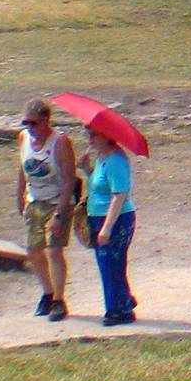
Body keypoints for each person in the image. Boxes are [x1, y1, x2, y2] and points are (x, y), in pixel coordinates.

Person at [17, 98, 76, 322]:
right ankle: (47, 292)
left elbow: (69, 179)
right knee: (33, 249)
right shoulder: (23, 138)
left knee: (54, 250)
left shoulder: (60, 142)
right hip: (36, 200)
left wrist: (61, 213)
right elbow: (22, 169)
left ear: (46, 121)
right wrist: (20, 195)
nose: (30, 128)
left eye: (34, 123)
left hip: (57, 201)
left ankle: (59, 300)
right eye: (26, 123)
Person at [80, 126, 137, 326]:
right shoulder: (102, 158)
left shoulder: (115, 161)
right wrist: (87, 169)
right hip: (100, 216)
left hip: (115, 219)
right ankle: (124, 301)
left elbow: (119, 195)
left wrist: (107, 227)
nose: (90, 139)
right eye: (88, 134)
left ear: (109, 136)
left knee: (110, 264)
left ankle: (117, 310)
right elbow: (99, 186)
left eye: (95, 134)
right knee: (110, 264)